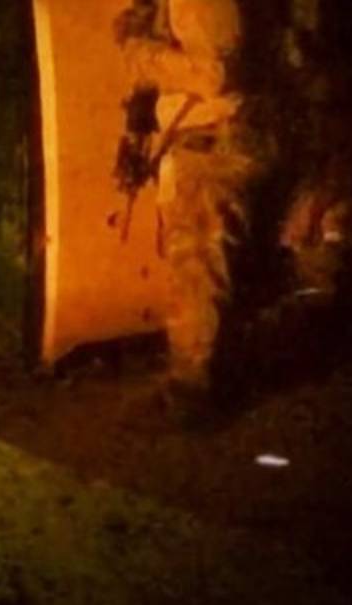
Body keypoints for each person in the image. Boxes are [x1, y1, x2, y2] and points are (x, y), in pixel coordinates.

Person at [116, 0, 256, 423]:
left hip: (208, 138)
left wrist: (139, 52)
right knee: (196, 266)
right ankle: (204, 379)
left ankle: (191, 394)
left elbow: (214, 75)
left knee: (195, 268)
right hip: (199, 138)